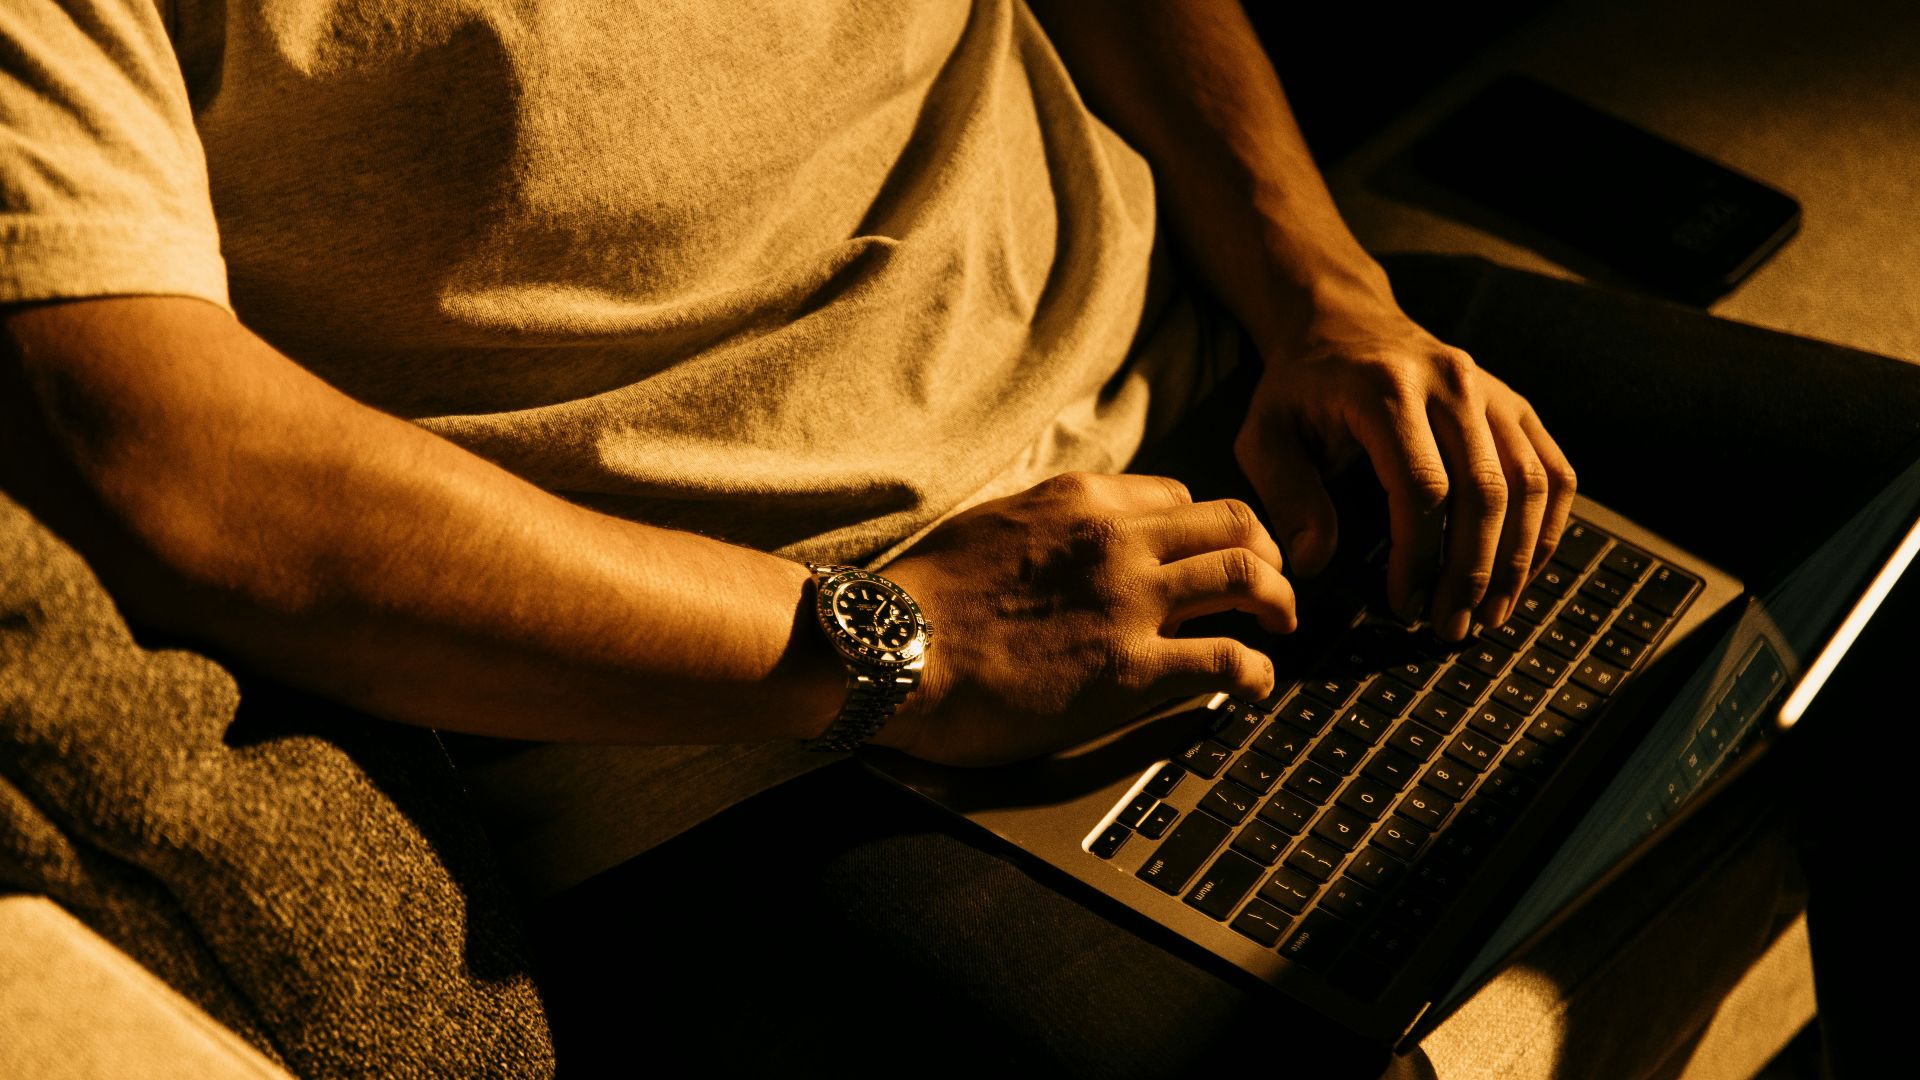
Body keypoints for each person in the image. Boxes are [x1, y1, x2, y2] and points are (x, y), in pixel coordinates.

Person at [1, 0, 1583, 1074]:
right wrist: (905, 643)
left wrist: (1324, 292)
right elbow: (164, 454)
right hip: (774, 736)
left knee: (1818, 634)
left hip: (1236, 398)